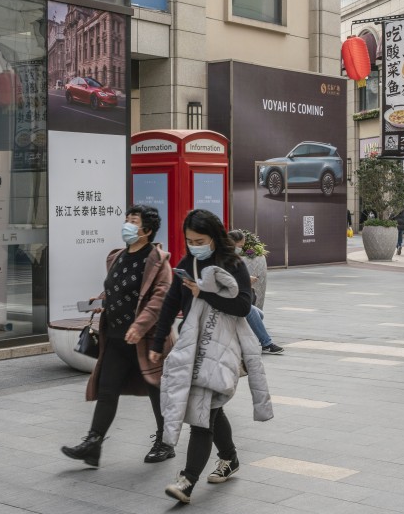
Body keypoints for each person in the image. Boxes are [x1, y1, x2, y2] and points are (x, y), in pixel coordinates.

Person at [149, 210, 272, 504]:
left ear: (215, 237)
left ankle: (187, 480)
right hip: (193, 349)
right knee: (211, 406)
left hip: (224, 347)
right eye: (190, 240)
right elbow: (170, 304)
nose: (194, 245)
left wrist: (204, 294)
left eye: (200, 240)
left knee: (202, 416)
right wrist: (158, 340)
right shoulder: (187, 263)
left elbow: (244, 306)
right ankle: (229, 458)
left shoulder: (233, 264)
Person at [61, 205, 176, 467]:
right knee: (107, 388)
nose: (126, 225)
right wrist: (103, 300)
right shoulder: (117, 257)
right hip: (115, 337)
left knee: (156, 390)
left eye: (133, 222)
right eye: (126, 220)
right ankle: (93, 444)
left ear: (146, 230)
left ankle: (165, 441)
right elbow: (118, 288)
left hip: (146, 341)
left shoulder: (158, 261)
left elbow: (160, 299)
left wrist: (140, 325)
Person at [228, 230, 282, 354]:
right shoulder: (223, 259)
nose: (240, 250)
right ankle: (266, 343)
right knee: (250, 311)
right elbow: (227, 281)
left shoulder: (233, 258)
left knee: (259, 314)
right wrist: (246, 281)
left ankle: (243, 339)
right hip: (226, 299)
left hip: (234, 297)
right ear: (232, 244)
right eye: (240, 246)